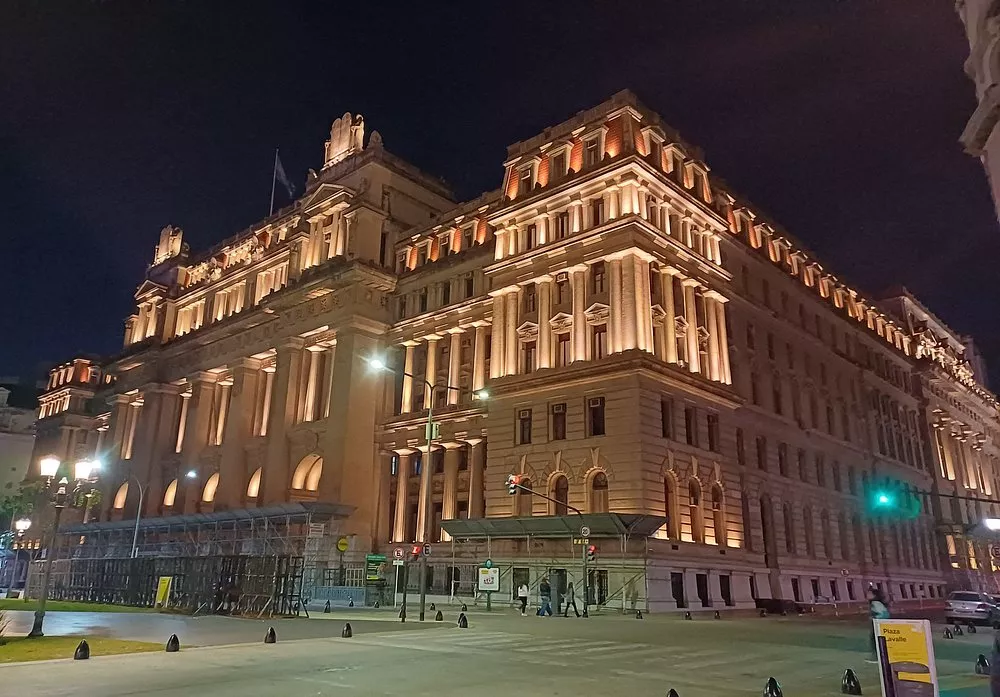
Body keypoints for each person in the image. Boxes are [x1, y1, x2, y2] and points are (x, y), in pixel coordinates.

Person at [867, 586, 890, 663]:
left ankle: (878, 658)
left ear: (874, 595)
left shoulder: (875, 603)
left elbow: (884, 614)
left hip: (878, 624)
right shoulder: (876, 603)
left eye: (869, 594)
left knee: (875, 640)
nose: (867, 595)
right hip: (879, 623)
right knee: (876, 639)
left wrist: (875, 618)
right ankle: (879, 657)